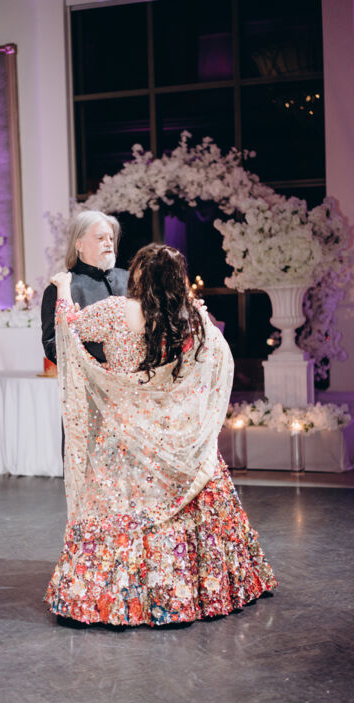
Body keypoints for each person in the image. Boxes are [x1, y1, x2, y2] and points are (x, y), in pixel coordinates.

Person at [45, 243, 277, 627]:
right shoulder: (193, 318)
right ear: (176, 281)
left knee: (120, 511)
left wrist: (63, 287)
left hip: (124, 435)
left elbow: (68, 326)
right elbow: (217, 361)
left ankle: (108, 598)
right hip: (177, 437)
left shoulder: (115, 311)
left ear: (137, 275)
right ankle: (198, 590)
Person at [41, 210, 128, 365]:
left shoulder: (131, 279)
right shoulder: (60, 289)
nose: (109, 243)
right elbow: (53, 347)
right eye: (100, 238)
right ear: (79, 245)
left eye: (111, 238)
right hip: (88, 379)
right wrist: (94, 368)